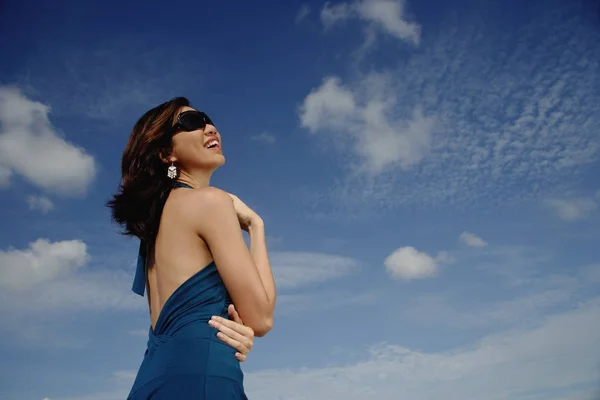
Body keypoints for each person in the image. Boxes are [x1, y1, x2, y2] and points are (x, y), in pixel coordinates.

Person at [107, 97, 276, 399]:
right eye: (191, 123)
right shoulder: (211, 201)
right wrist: (255, 226)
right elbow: (260, 319)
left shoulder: (155, 228)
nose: (210, 128)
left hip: (151, 377)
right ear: (166, 153)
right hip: (203, 375)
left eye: (208, 119)